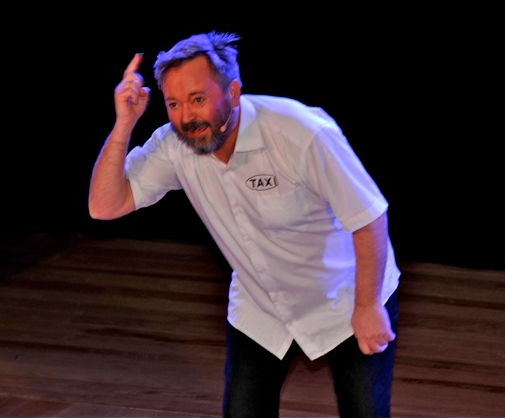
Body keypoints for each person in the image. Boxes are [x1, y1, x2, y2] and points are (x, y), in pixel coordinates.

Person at [88, 30, 401, 418]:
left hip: (347, 296)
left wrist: (368, 306)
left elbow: (369, 216)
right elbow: (104, 206)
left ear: (233, 92)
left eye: (198, 99)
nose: (186, 117)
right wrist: (124, 125)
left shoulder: (299, 132)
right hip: (262, 305)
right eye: (173, 103)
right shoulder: (174, 145)